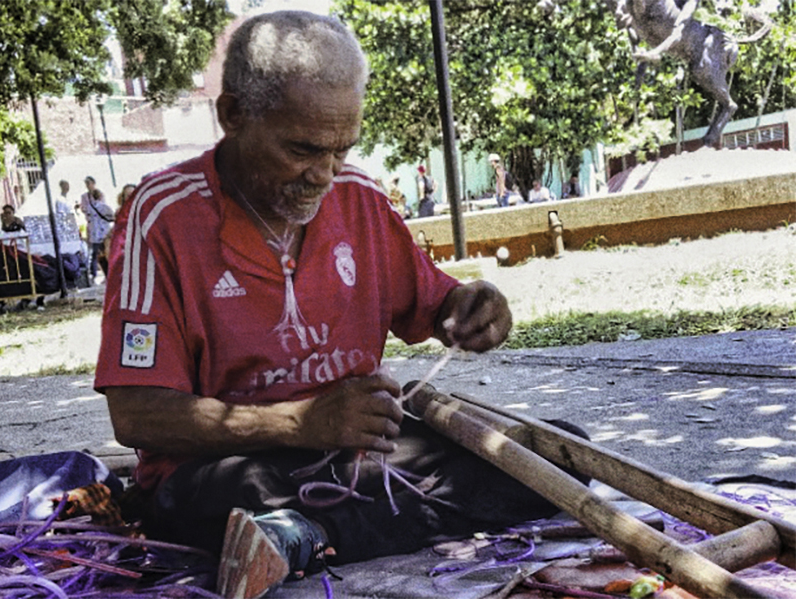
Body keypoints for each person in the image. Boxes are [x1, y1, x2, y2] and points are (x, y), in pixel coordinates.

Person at [95, 11, 587, 599]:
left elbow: (440, 305)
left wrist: (474, 305)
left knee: (555, 454)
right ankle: (310, 528)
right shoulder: (163, 217)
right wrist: (297, 422)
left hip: (355, 459)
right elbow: (137, 414)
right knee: (210, 501)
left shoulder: (359, 202)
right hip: (229, 469)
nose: (324, 175)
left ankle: (304, 535)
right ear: (232, 117)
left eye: (343, 150)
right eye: (303, 149)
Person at [100, 183, 136, 275]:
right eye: (127, 195)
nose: (130, 198)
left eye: (132, 195)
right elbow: (117, 228)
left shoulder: (144, 209)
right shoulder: (120, 212)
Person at [81, 187, 114, 280]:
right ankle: (109, 272)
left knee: (96, 255)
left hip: (94, 234)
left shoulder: (89, 208)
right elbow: (112, 216)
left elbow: (88, 219)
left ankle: (94, 273)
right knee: (107, 253)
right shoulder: (104, 207)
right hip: (104, 233)